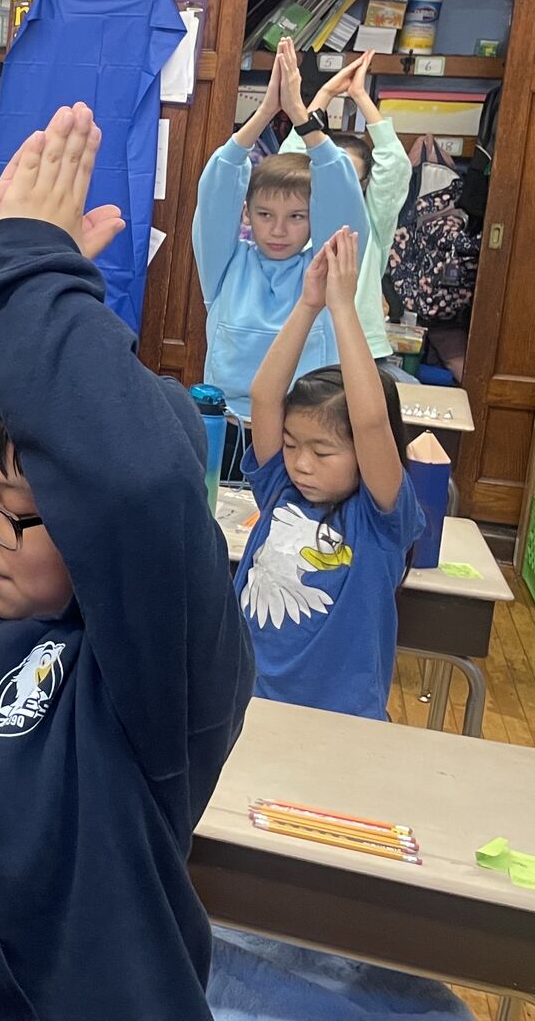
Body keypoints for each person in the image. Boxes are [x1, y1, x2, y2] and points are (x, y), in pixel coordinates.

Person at [0, 103, 253, 1021]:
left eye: (16, 512)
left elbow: (140, 482)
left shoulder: (153, 668)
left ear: (92, 527)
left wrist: (39, 273)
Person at [236, 227, 423, 719]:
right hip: (247, 701)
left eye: (323, 452)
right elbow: (263, 397)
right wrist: (308, 305)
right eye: (292, 445)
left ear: (363, 455)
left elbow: (371, 420)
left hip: (337, 718)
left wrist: (343, 309)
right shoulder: (280, 489)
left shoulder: (380, 520)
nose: (301, 463)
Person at [193, 39, 368, 419]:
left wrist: (301, 117)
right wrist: (265, 112)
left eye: (296, 217)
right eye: (265, 214)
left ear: (316, 218)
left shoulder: (323, 273)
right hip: (230, 421)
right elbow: (216, 187)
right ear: (246, 214)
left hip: (302, 424)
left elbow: (344, 201)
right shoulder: (226, 266)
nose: (278, 230)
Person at [278, 52, 412, 382]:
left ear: (364, 183)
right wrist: (324, 94)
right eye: (330, 172)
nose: (338, 182)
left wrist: (360, 97)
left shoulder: (371, 222)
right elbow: (288, 163)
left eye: (349, 175)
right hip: (305, 345)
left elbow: (395, 166)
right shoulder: (299, 220)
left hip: (361, 346)